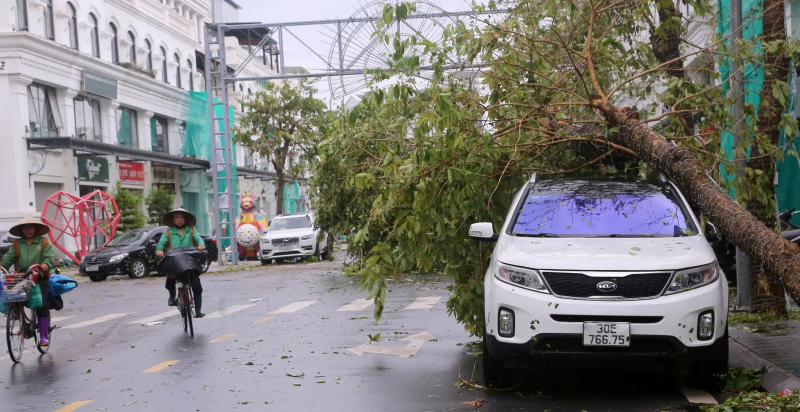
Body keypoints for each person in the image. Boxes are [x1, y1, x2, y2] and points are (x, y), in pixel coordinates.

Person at [0, 216, 55, 345]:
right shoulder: (17, 244)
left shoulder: (44, 242)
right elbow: (8, 258)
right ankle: (16, 313)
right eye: (25, 228)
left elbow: (49, 259)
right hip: (22, 276)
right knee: (11, 295)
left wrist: (44, 266)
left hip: (40, 276)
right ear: (21, 230)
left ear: (36, 228)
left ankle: (43, 336)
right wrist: (2, 266)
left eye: (30, 227)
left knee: (42, 304)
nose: (28, 230)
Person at [156, 208, 207, 318]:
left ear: (185, 219)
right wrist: (159, 250)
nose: (179, 220)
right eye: (176, 218)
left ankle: (198, 310)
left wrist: (200, 245)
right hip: (175, 262)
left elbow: (199, 240)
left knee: (196, 285)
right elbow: (161, 244)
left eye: (181, 217)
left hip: (189, 261)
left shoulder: (192, 230)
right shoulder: (168, 232)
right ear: (173, 220)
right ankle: (172, 297)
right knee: (170, 279)